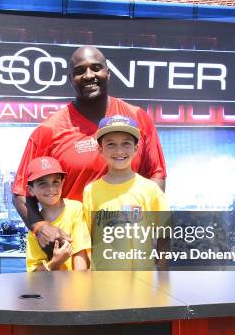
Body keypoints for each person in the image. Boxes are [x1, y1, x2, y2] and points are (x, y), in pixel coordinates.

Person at [12, 45, 166, 250]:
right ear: (70, 79)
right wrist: (40, 226)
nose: (88, 75)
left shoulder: (137, 118)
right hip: (72, 250)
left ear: (108, 73)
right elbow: (21, 192)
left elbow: (156, 175)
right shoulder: (48, 130)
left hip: (125, 249)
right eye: (80, 71)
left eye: (96, 68)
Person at [82, 115, 169, 269]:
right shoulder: (91, 191)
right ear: (100, 149)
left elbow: (164, 236)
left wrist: (162, 273)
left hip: (142, 285)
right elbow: (87, 237)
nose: (119, 151)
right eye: (111, 144)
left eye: (126, 144)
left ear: (136, 149)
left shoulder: (150, 189)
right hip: (102, 284)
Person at [23, 156, 90, 271]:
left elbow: (80, 252)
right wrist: (56, 262)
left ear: (62, 183)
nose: (51, 188)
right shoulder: (35, 231)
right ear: (31, 190)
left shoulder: (75, 209)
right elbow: (34, 271)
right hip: (51, 288)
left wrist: (80, 284)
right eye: (42, 184)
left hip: (77, 286)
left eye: (55, 182)